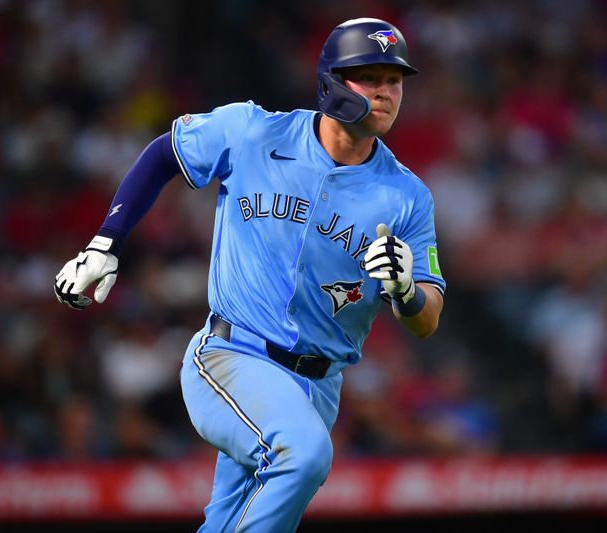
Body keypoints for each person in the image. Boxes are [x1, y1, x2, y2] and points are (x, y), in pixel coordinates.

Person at [54, 17, 445, 532]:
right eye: (369, 76)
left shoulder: (407, 196)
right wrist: (108, 241)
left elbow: (428, 315)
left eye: (394, 80)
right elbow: (165, 153)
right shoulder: (254, 130)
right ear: (331, 81)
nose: (387, 91)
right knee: (304, 456)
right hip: (232, 355)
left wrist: (404, 293)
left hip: (317, 386)